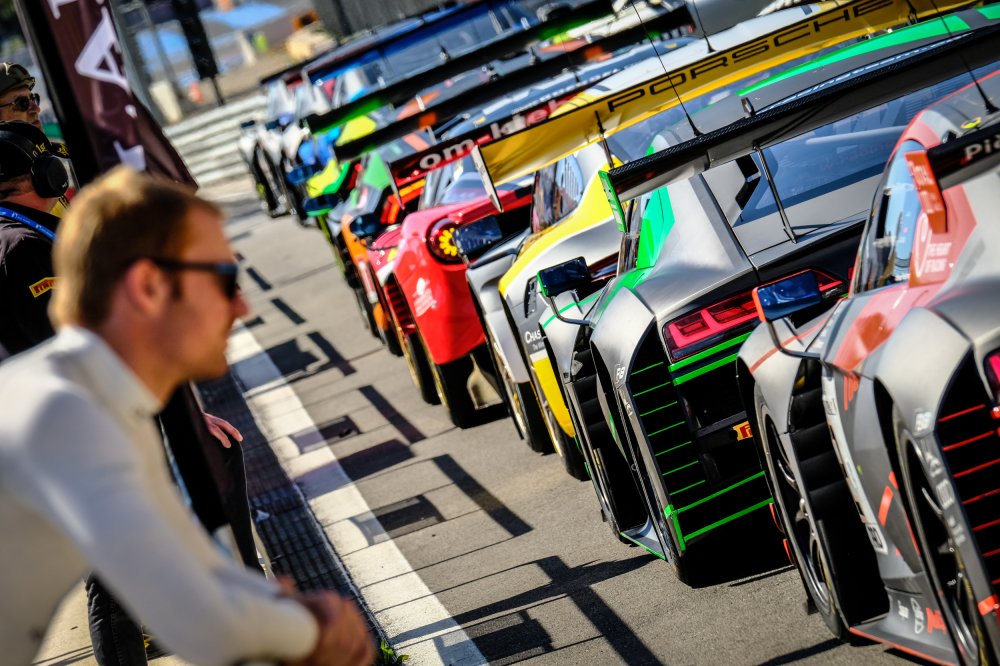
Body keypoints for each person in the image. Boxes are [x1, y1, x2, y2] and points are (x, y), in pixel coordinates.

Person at [0, 165, 375, 666]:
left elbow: (193, 563)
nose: (241, 306)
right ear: (148, 287)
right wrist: (310, 629)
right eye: (223, 279)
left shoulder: (101, 399)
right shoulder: (71, 412)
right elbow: (189, 606)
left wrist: (280, 615)